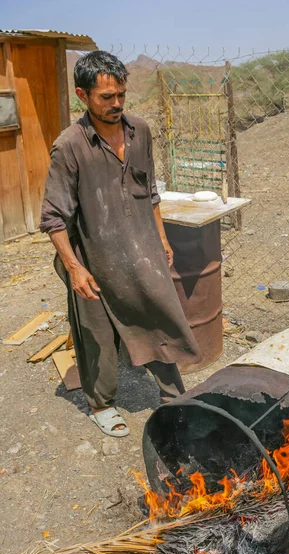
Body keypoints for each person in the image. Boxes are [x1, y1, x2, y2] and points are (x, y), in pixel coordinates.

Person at [40, 51, 200, 437]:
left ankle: (171, 394)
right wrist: (75, 268)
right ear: (82, 94)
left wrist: (160, 238)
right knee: (97, 334)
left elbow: (152, 191)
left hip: (141, 245)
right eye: (105, 97)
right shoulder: (70, 147)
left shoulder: (140, 131)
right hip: (91, 256)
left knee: (159, 313)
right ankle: (101, 404)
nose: (116, 105)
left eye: (121, 96)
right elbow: (53, 219)